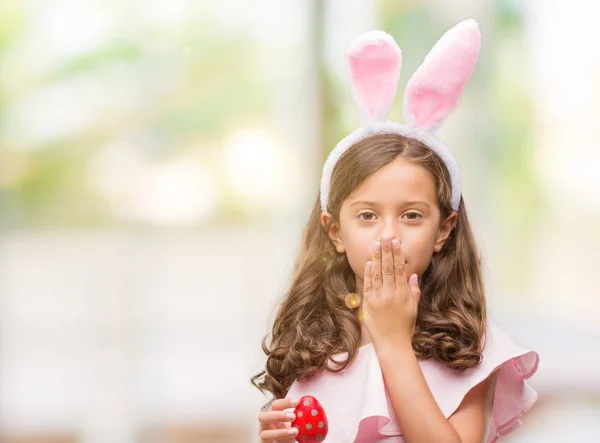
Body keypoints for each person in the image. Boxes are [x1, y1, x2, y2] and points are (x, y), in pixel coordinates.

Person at [251, 18, 539, 443]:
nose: (389, 236)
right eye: (367, 216)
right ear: (334, 231)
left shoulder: (471, 344)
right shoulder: (311, 343)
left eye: (411, 216)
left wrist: (391, 340)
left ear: (445, 229)